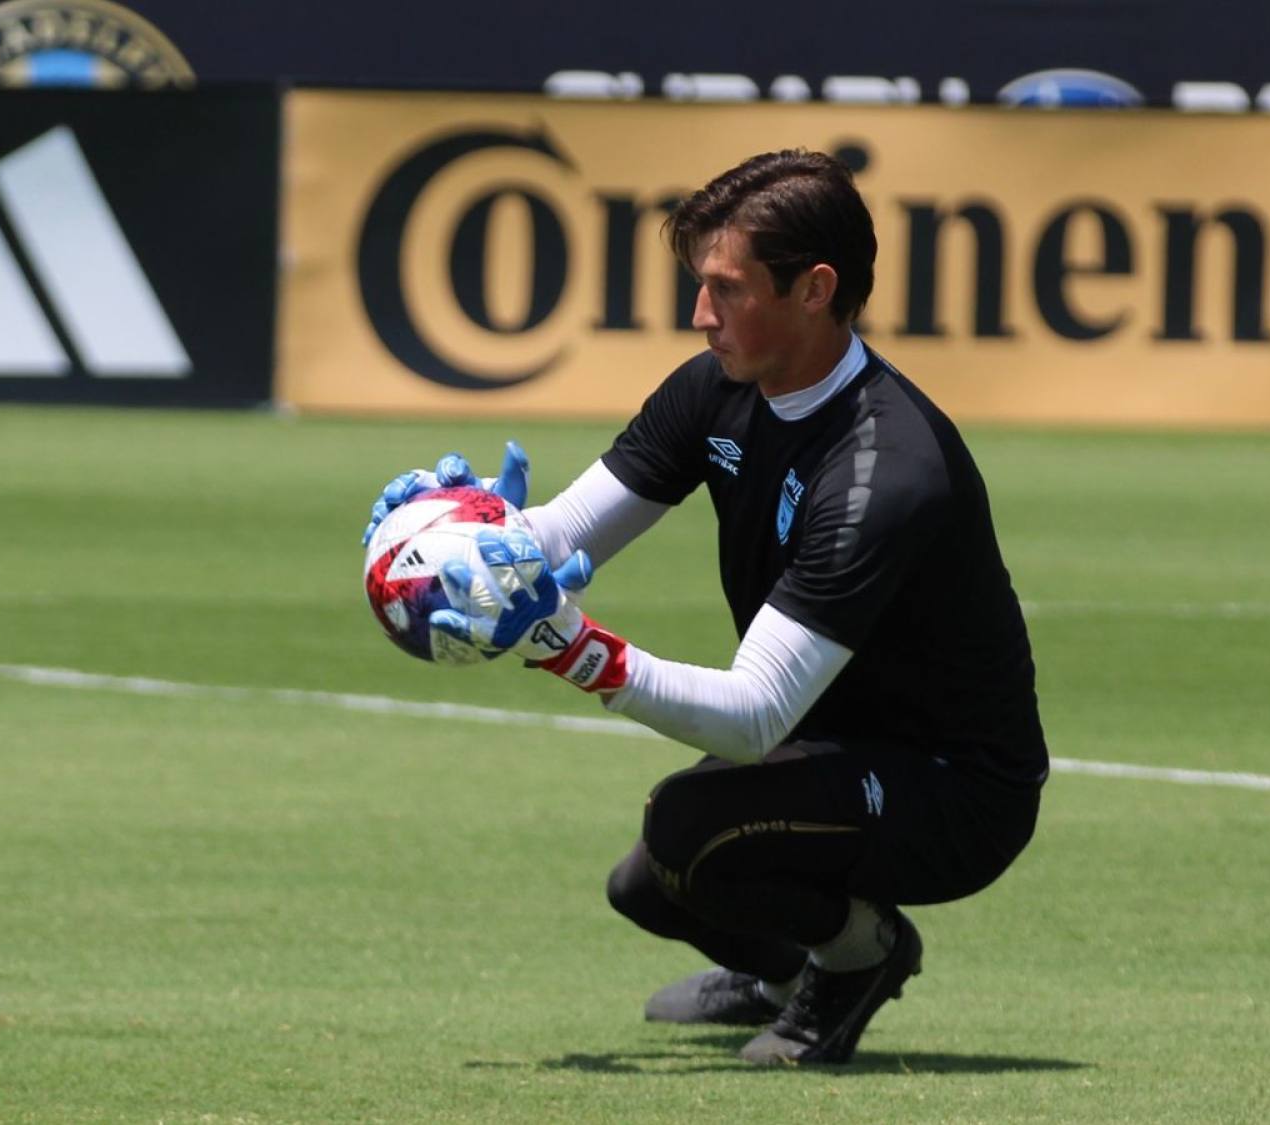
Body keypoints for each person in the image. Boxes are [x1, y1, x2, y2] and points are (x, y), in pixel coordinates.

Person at [361, 149, 1047, 1066]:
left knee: (690, 833)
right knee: (646, 885)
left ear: (816, 289)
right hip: (832, 739)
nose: (700, 313)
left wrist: (573, 648)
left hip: (953, 789)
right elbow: (562, 533)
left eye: (726, 288)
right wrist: (464, 532)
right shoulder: (715, 386)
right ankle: (783, 972)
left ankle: (856, 954)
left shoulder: (886, 471)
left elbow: (753, 714)